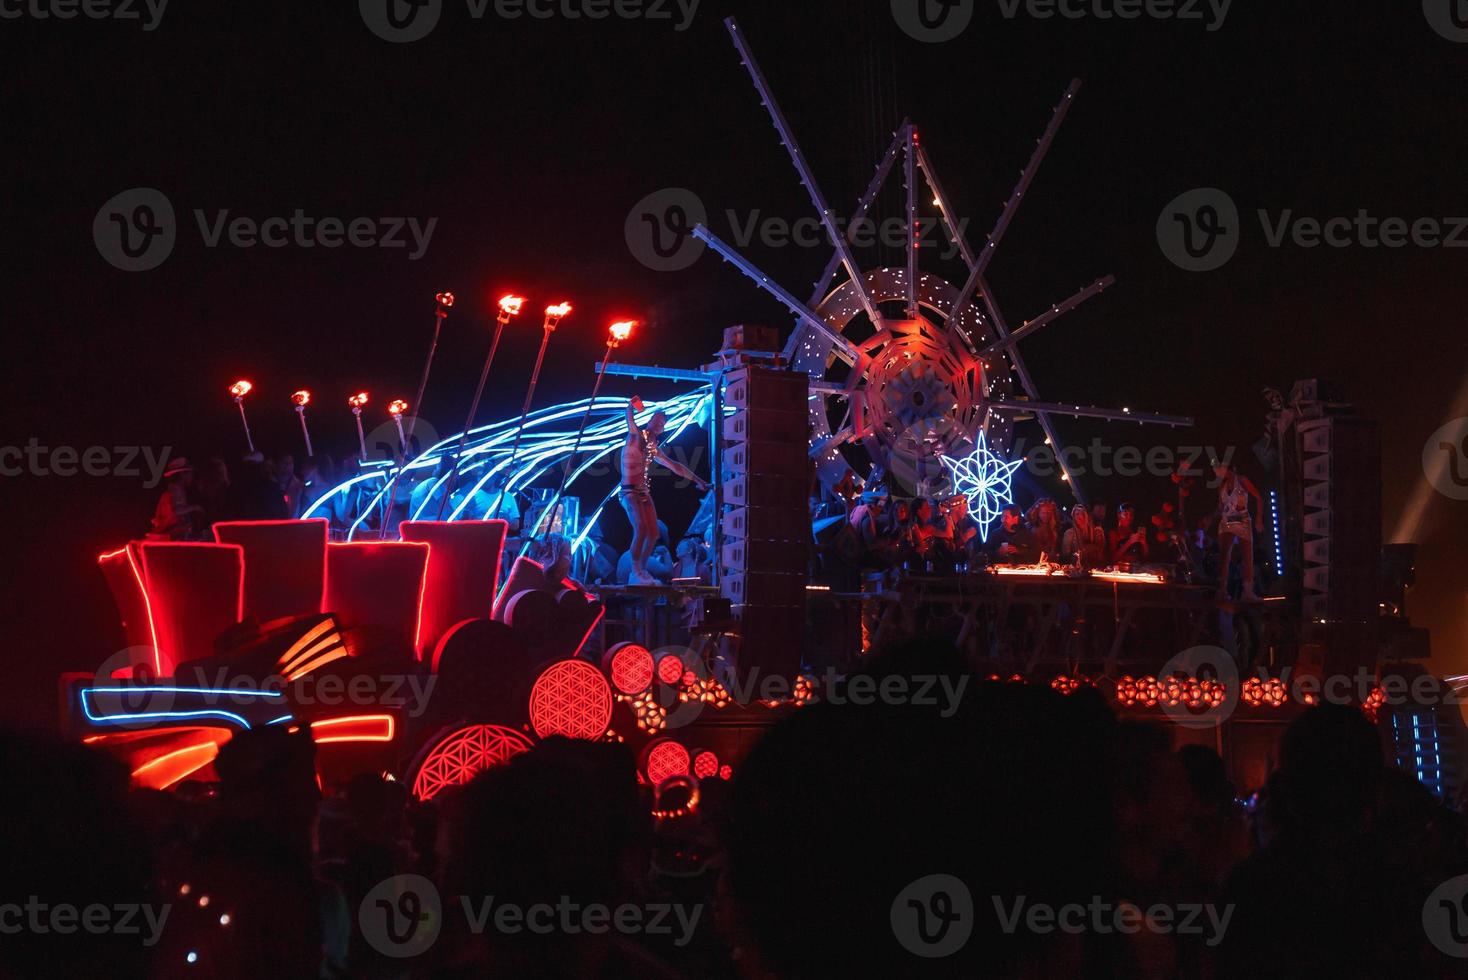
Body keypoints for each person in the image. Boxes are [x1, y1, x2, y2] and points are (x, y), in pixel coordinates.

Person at [620, 395, 708, 586]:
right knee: (641, 529)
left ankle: (641, 572)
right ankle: (635, 572)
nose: (660, 424)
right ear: (650, 421)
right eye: (657, 420)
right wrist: (632, 404)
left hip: (643, 492)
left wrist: (698, 480)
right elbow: (630, 420)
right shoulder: (637, 435)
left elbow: (674, 465)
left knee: (653, 533)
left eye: (663, 422)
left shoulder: (653, 446)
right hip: (629, 491)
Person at [1212, 461, 1264, 602]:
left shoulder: (1242, 480)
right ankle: (1222, 590)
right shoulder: (1221, 486)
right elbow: (1221, 507)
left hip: (1242, 521)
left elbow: (1258, 497)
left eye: (1218, 470)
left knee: (1247, 556)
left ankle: (1247, 592)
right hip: (1227, 522)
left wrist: (1259, 519)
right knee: (1224, 556)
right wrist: (1214, 516)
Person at [149, 457, 203, 540]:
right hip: (175, 535)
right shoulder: (176, 489)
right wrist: (195, 507)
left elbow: (158, 519)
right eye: (190, 474)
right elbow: (177, 511)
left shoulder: (168, 492)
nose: (192, 477)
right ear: (182, 474)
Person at [1062, 503, 1107, 569]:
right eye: (1077, 514)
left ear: (1086, 515)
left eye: (1082, 514)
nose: (1080, 516)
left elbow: (1101, 552)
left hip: (1095, 569)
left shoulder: (1096, 531)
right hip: (1075, 570)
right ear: (1073, 517)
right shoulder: (1069, 533)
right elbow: (1065, 555)